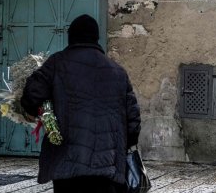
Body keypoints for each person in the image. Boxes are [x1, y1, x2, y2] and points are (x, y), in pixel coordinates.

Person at [21, 14, 141, 193]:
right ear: (96, 38)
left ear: (71, 36)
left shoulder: (57, 63)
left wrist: (39, 111)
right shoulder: (118, 72)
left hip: (67, 166)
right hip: (107, 166)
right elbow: (133, 123)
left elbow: (31, 96)